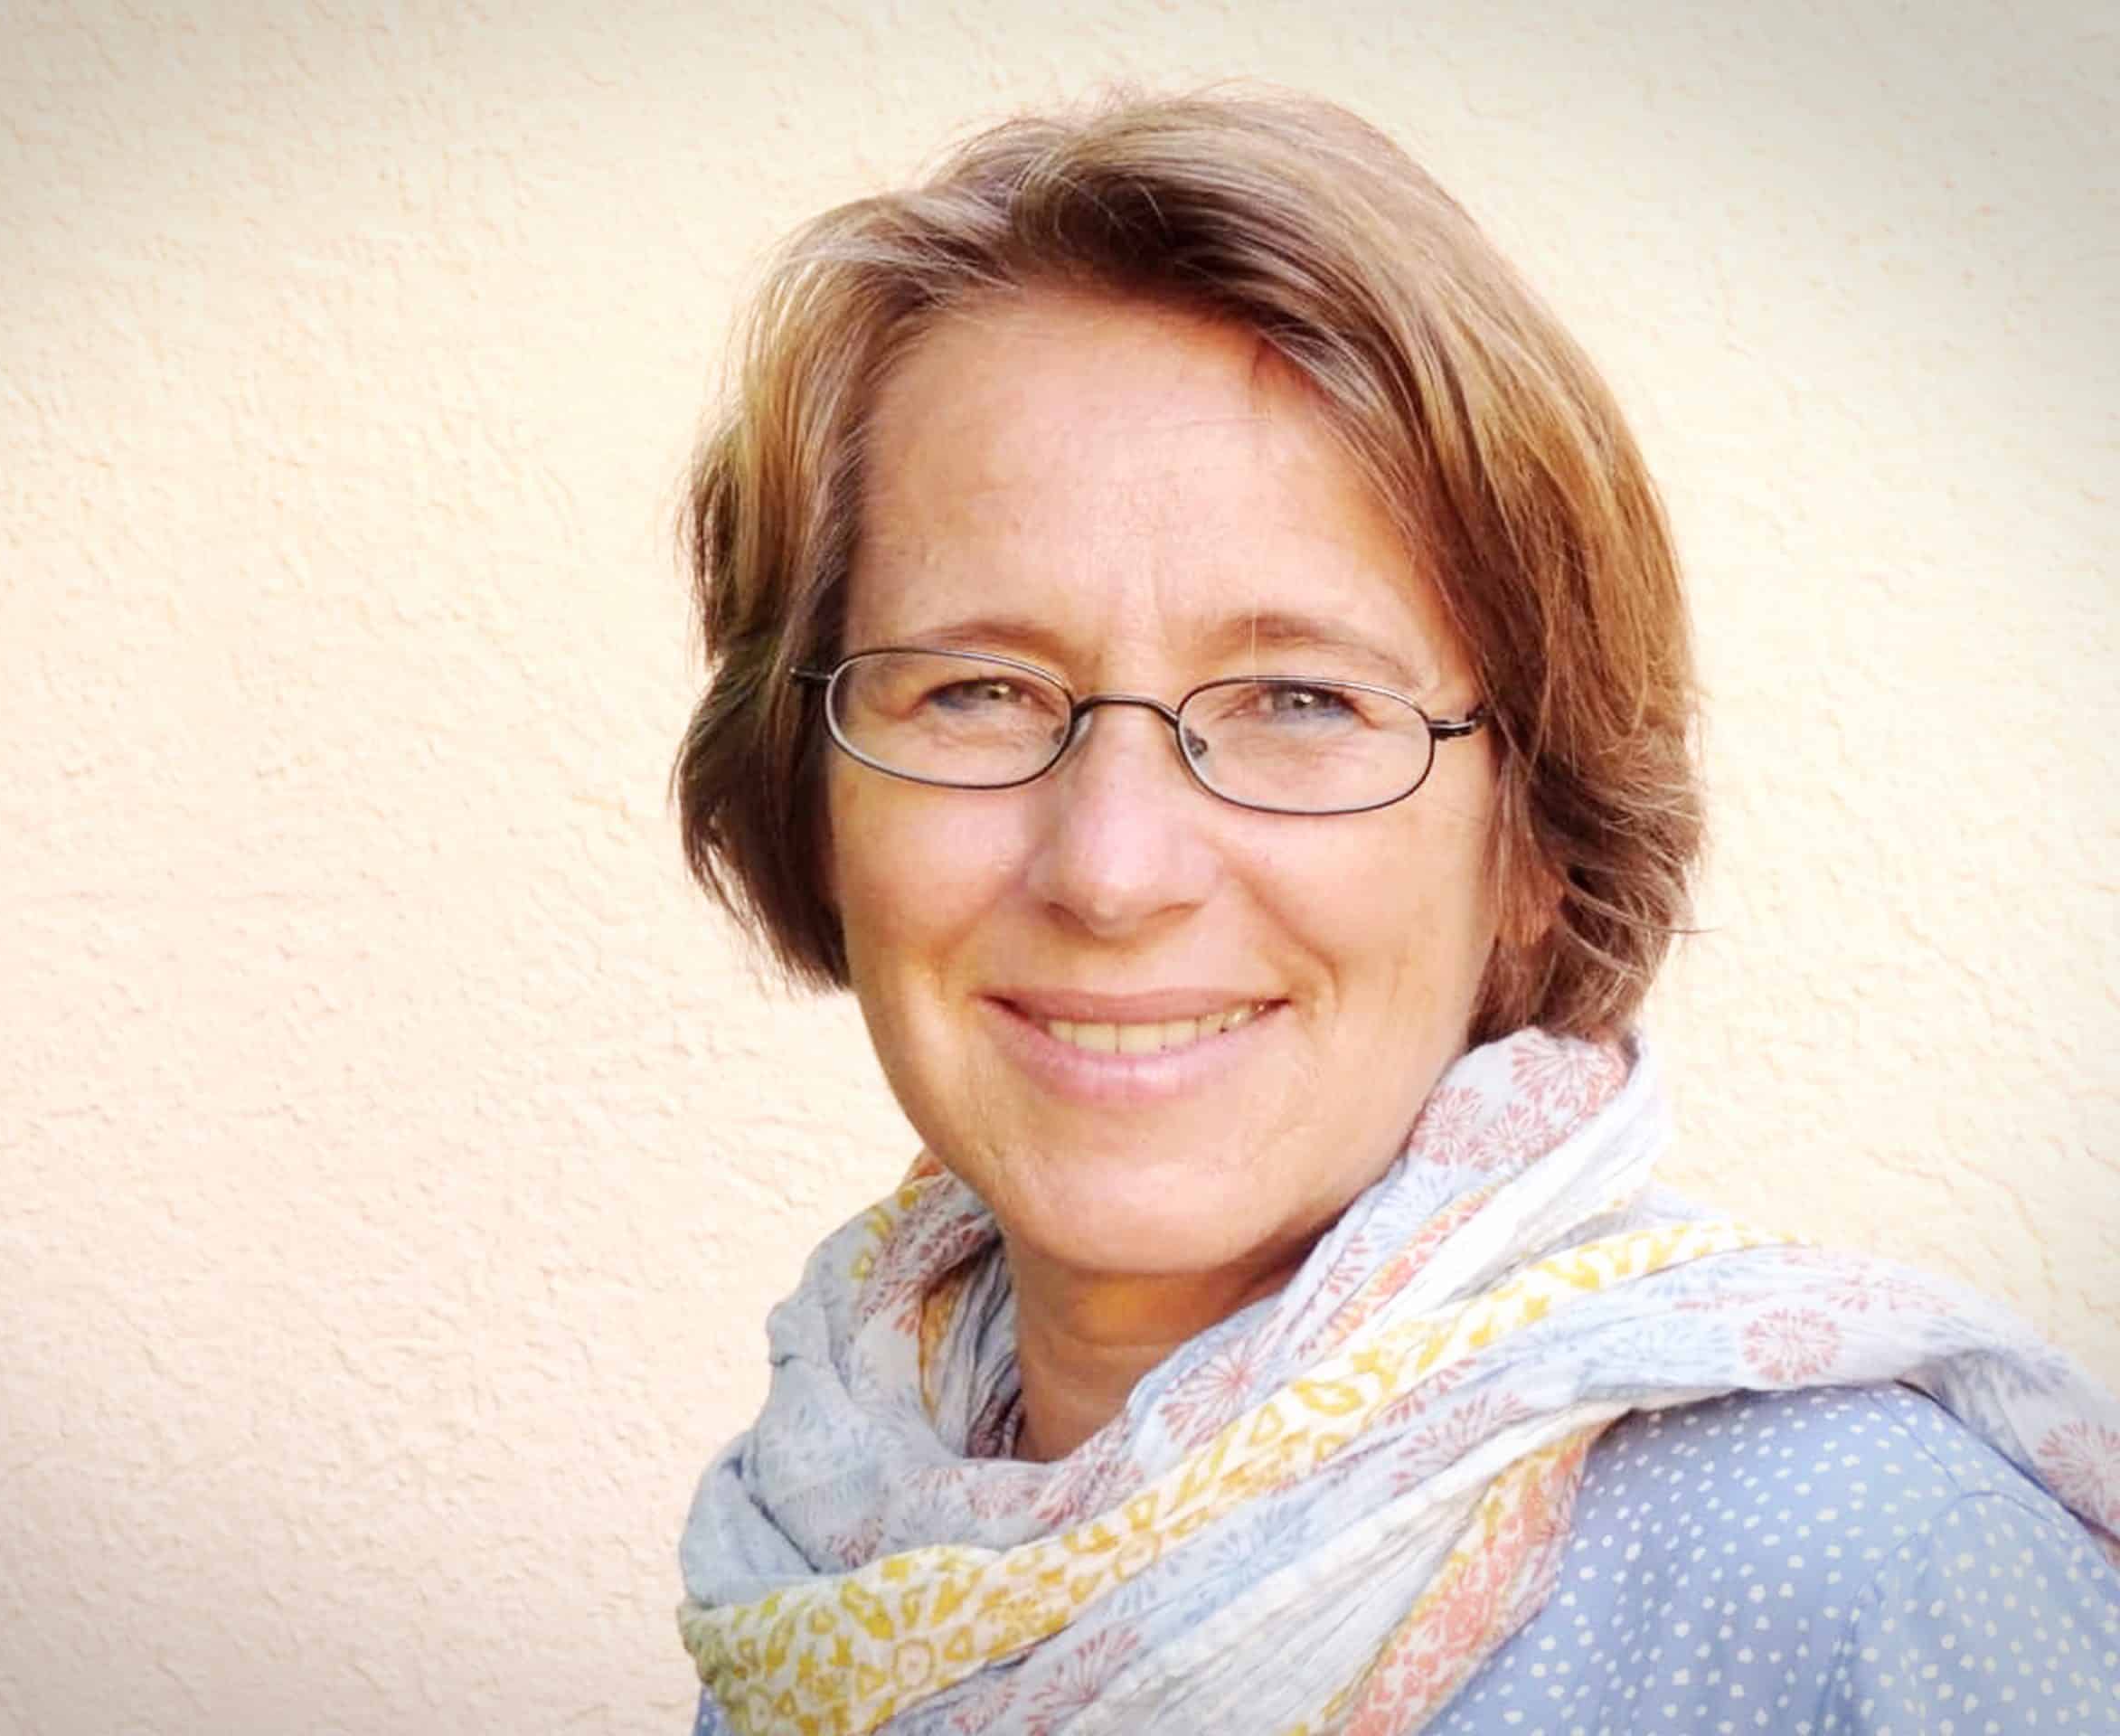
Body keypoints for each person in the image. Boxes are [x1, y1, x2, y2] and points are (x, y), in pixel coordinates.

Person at [669, 90, 2120, 1735]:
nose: (1113, 870)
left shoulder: (1869, 1583)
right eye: (979, 691)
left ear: (1534, 840)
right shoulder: (831, 1553)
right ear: (810, 789)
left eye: (1300, 701)